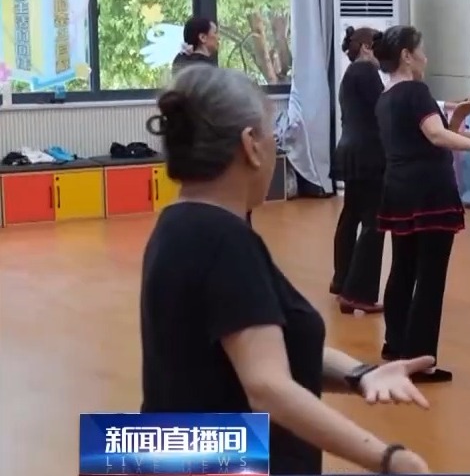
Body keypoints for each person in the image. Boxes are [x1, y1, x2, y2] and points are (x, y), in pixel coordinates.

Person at [139, 65, 431, 475]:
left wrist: (361, 374)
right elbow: (267, 385)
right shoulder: (223, 241)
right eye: (271, 137)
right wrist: (389, 458)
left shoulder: (177, 225)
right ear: (250, 146)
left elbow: (269, 345)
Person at [373, 26, 470, 381]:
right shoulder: (416, 91)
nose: (426, 57)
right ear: (406, 56)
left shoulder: (385, 97)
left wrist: (458, 117)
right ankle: (420, 359)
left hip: (399, 189)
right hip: (428, 191)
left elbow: (434, 135)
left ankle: (396, 344)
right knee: (430, 277)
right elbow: (434, 136)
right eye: (421, 51)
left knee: (403, 268)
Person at [330, 27, 387, 314]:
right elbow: (385, 109)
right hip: (368, 153)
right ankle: (358, 293)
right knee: (374, 221)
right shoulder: (366, 72)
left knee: (351, 216)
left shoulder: (350, 74)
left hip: (350, 150)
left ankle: (342, 281)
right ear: (366, 47)